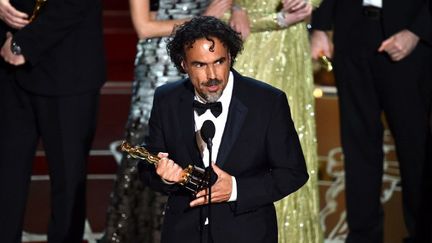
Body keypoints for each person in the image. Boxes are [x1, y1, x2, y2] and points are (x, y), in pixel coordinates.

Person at [136, 16, 309, 243]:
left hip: (247, 234)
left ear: (230, 57)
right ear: (183, 64)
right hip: (183, 233)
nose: (212, 76)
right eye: (200, 65)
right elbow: (147, 166)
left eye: (219, 62)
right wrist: (166, 178)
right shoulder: (167, 98)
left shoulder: (267, 102)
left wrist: (235, 189)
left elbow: (293, 173)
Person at [101, 1, 232, 242]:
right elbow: (144, 26)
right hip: (159, 66)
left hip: (201, 63)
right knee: (155, 152)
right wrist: (201, 21)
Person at [310, 0, 432, 242]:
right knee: (357, 146)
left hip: (411, 39)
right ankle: (363, 236)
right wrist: (321, 26)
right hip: (351, 33)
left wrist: (419, 30)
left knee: (416, 150)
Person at [0, 0, 106, 242]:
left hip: (69, 71)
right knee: (6, 179)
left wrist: (23, 44)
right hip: (8, 70)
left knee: (68, 185)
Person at [228, 1, 323, 242]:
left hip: (290, 51)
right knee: (245, 145)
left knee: (287, 145)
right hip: (247, 54)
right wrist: (241, 9)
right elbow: (218, 16)